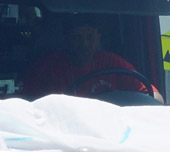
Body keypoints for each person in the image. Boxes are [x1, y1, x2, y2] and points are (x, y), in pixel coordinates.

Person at [22, 16, 162, 102]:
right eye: (77, 37)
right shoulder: (47, 68)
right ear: (66, 39)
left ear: (98, 38)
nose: (84, 44)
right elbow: (28, 106)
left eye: (89, 37)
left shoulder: (112, 63)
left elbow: (155, 97)